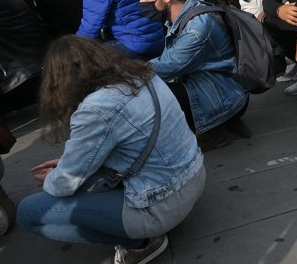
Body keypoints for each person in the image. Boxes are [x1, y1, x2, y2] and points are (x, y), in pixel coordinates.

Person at [17, 36, 205, 264]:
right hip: (194, 176)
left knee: (28, 213)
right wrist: (66, 163)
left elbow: (65, 184)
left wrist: (53, 177)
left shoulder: (96, 108)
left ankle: (140, 244)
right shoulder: (142, 74)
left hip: (161, 206)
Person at [130, 0, 250, 150]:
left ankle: (213, 132)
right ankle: (217, 123)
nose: (141, 3)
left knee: (155, 91)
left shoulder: (197, 27)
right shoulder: (181, 15)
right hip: (216, 89)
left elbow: (168, 66)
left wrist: (125, 73)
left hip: (224, 95)